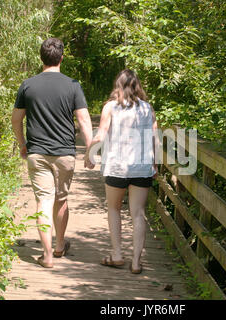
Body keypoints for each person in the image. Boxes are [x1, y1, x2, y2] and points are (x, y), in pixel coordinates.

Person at [11, 38, 93, 268]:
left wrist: (22, 144)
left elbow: (16, 119)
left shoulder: (28, 85)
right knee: (61, 199)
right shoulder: (72, 85)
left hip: (37, 152)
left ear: (41, 58)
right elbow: (84, 119)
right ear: (62, 58)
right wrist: (90, 149)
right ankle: (59, 246)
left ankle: (46, 256)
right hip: (65, 153)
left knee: (43, 202)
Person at [85, 69, 158, 274]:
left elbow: (100, 135)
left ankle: (117, 255)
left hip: (117, 167)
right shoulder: (147, 109)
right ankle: (135, 262)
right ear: (137, 86)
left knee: (114, 209)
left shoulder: (111, 107)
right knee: (138, 213)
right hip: (142, 167)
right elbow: (154, 138)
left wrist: (88, 155)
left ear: (118, 85)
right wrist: (155, 164)